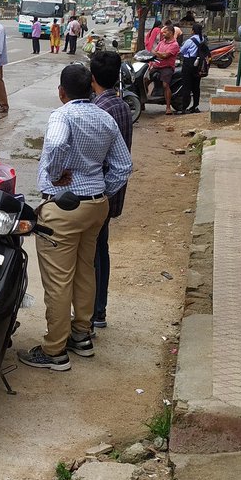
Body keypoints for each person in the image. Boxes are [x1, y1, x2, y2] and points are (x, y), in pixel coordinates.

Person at [17, 62, 132, 370]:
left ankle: (54, 350)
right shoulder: (104, 117)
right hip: (96, 206)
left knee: (58, 281)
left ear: (61, 91)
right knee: (84, 271)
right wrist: (101, 190)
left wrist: (55, 176)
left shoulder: (63, 115)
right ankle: (80, 335)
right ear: (91, 86)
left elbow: (54, 144)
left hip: (65, 208)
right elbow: (124, 165)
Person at [86, 52, 133, 330]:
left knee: (92, 253)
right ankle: (99, 310)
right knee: (101, 249)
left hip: (101, 190)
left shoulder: (100, 110)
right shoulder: (123, 106)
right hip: (114, 190)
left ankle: (93, 312)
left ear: (93, 79)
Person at [178, 22, 209, 115]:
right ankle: (195, 106)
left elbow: (181, 51)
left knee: (186, 86)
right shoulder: (203, 40)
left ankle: (184, 107)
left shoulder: (190, 41)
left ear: (193, 31)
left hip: (189, 63)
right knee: (196, 86)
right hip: (199, 64)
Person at [150, 22, 180, 115]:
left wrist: (157, 53)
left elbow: (165, 55)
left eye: (165, 32)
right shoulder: (162, 42)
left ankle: (168, 107)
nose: (163, 34)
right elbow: (153, 51)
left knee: (165, 85)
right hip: (157, 65)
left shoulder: (174, 44)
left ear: (171, 33)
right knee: (144, 79)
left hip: (167, 67)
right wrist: (157, 53)